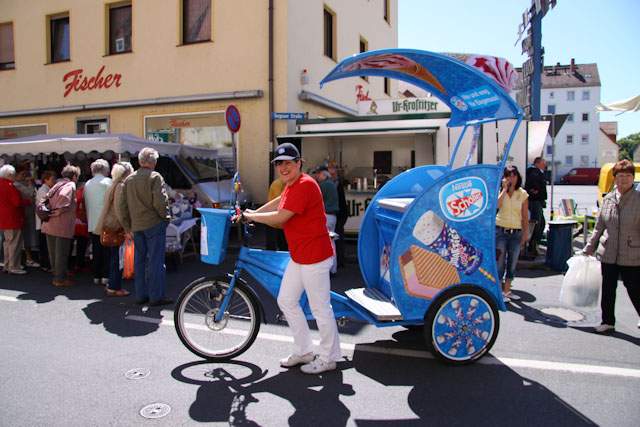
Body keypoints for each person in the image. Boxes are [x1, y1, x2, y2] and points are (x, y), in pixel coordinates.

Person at [243, 143, 341, 374]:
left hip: (314, 256)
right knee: (286, 300)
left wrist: (253, 218)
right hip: (300, 255)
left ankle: (329, 357)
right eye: (279, 164)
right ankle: (304, 351)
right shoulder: (292, 185)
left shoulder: (305, 184)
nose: (283, 167)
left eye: (288, 162)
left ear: (299, 163)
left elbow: (280, 217)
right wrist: (254, 212)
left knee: (320, 308)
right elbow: (279, 202)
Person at [584, 160, 640, 333]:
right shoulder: (608, 198)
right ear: (615, 178)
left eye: (628, 176)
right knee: (608, 289)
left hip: (632, 252)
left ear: (633, 178)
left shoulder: (638, 199)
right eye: (620, 176)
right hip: (608, 251)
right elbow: (599, 226)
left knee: (634, 289)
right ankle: (607, 321)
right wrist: (589, 248)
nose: (624, 180)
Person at [116, 147, 171, 306]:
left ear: (140, 161)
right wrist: (166, 218)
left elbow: (122, 206)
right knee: (155, 261)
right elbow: (160, 201)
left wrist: (127, 227)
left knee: (139, 261)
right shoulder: (155, 177)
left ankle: (141, 295)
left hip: (136, 225)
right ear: (153, 162)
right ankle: (156, 296)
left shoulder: (129, 179)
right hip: (154, 223)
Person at [95, 162, 134, 297]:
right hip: (116, 227)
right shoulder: (120, 186)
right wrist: (127, 229)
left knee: (114, 257)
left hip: (110, 225)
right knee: (117, 259)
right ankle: (114, 287)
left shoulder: (113, 185)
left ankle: (112, 285)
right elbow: (120, 210)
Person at [41, 165, 80, 287]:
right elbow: (64, 196)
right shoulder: (70, 184)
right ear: (74, 176)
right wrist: (61, 209)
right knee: (61, 253)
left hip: (49, 222)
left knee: (53, 253)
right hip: (62, 224)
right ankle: (60, 279)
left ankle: (56, 275)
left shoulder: (57, 183)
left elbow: (45, 198)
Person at [495, 165, 529, 302]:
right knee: (499, 262)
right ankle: (498, 292)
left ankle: (507, 290)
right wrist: (504, 189)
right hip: (500, 231)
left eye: (514, 175)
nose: (511, 178)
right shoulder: (499, 191)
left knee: (512, 262)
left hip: (516, 232)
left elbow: (525, 216)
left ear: (518, 177)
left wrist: (525, 233)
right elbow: (496, 206)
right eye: (508, 175)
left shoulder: (522, 193)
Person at [84, 159, 113, 286]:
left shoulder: (88, 183)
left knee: (96, 250)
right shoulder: (108, 182)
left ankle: (96, 275)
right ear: (105, 169)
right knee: (107, 250)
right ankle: (105, 275)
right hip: (106, 221)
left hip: (92, 221)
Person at [0, 164, 30, 275]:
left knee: (7, 243)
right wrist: (27, 202)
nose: (14, 176)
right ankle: (14, 267)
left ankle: (7, 265)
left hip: (3, 218)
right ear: (9, 174)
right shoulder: (10, 186)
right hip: (13, 218)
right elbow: (17, 202)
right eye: (13, 174)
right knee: (14, 244)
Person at [314, 165, 339, 274]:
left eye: (318, 174)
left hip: (326, 216)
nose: (316, 176)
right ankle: (333, 268)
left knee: (324, 244)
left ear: (323, 174)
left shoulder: (323, 185)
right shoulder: (331, 184)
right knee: (331, 243)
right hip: (332, 216)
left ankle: (327, 269)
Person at [14, 165, 40, 268]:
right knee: (24, 237)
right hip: (23, 213)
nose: (25, 176)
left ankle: (26, 258)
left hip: (28, 213)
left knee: (26, 236)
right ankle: (27, 259)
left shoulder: (20, 184)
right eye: (23, 174)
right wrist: (30, 183)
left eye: (26, 174)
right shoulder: (16, 185)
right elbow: (30, 193)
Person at [524, 157, 547, 257]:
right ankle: (533, 246)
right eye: (543, 163)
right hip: (535, 201)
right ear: (537, 163)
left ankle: (534, 245)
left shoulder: (536, 172)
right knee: (537, 224)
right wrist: (536, 192)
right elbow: (533, 186)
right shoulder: (535, 172)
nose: (545, 165)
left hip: (536, 201)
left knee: (540, 223)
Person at [328, 164, 349, 268]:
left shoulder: (333, 185)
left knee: (336, 238)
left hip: (338, 214)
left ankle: (338, 261)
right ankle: (340, 260)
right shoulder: (337, 184)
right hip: (341, 213)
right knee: (338, 237)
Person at [36, 170, 57, 272]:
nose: (54, 181)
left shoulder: (48, 189)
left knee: (46, 243)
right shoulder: (43, 190)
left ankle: (47, 264)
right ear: (46, 180)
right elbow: (44, 205)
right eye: (52, 179)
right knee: (44, 243)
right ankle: (45, 264)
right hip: (43, 219)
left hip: (45, 219)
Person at [265, 177, 288, 251]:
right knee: (275, 247)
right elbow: (279, 202)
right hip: (275, 221)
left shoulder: (283, 184)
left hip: (279, 221)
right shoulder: (278, 184)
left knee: (283, 246)